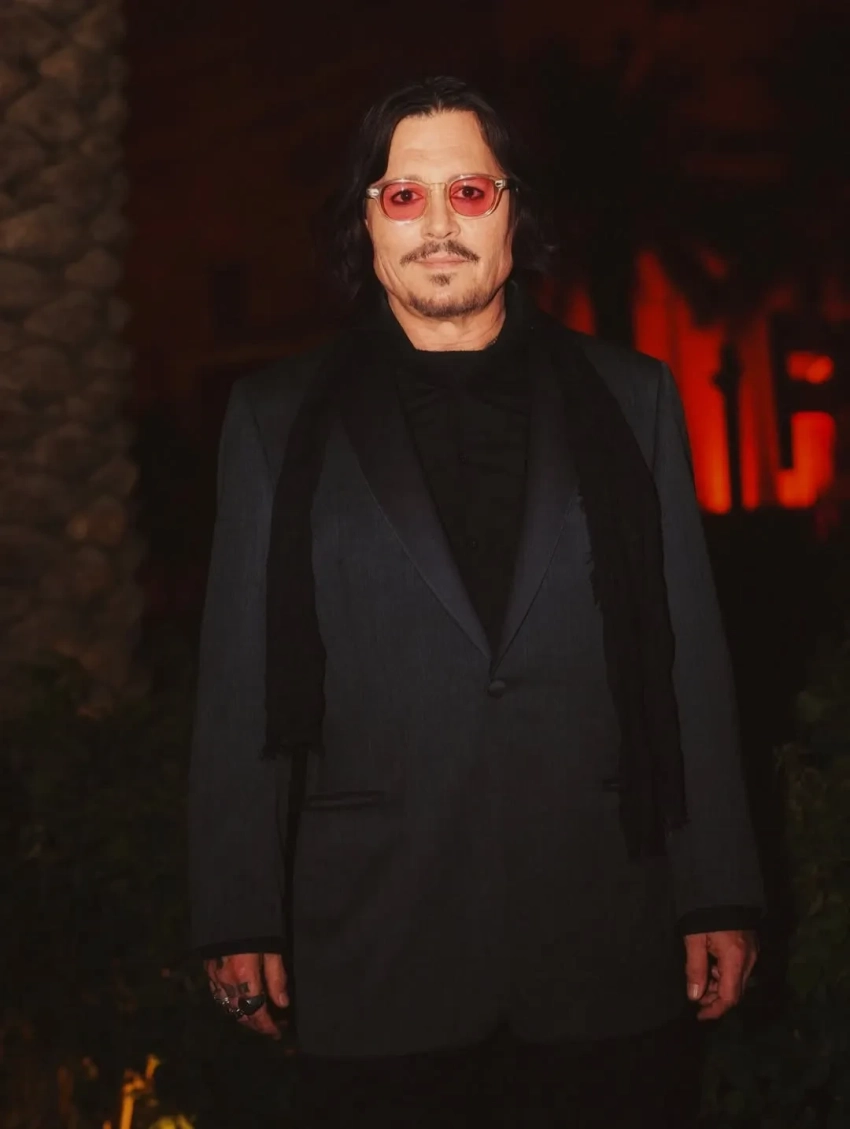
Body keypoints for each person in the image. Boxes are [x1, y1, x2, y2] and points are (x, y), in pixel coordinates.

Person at [189, 76, 763, 1128]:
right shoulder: (275, 419)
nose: (439, 225)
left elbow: (689, 656)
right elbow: (238, 684)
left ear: (513, 212)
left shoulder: (631, 397)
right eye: (404, 196)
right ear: (367, 221)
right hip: (374, 941)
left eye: (469, 191)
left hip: (604, 932)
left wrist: (717, 883)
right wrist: (236, 909)